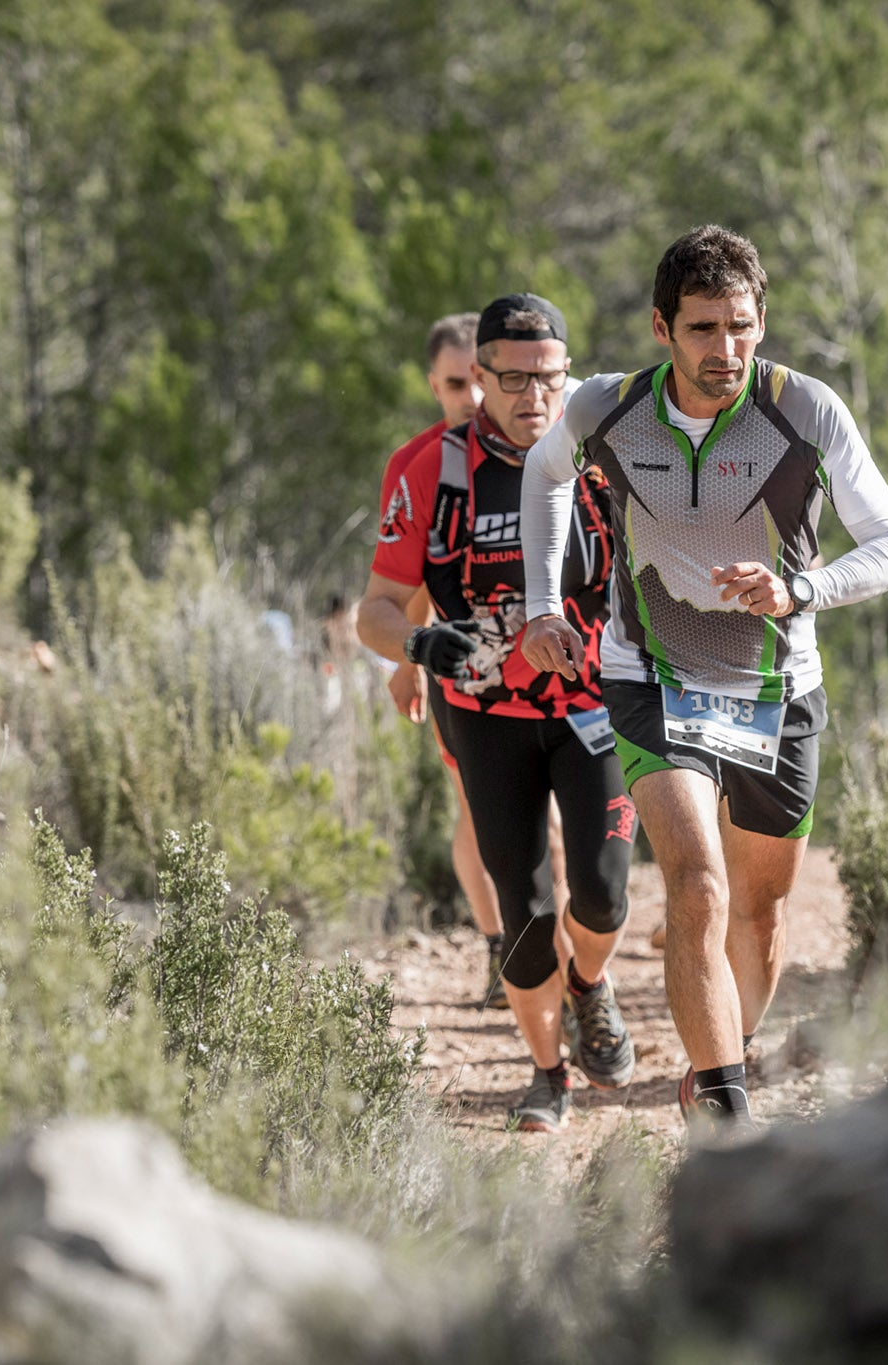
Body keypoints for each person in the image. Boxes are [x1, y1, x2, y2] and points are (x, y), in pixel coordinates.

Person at [520, 226, 888, 1133]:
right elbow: (545, 478)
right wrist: (545, 605)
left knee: (760, 913)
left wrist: (800, 589)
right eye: (702, 329)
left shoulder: (806, 411)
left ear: (762, 320)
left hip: (780, 688)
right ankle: (727, 1117)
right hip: (650, 676)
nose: (725, 350)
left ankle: (717, 1062)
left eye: (741, 326)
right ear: (663, 329)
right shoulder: (604, 410)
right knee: (696, 885)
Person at [360, 294, 637, 1133]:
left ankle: (590, 985)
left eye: (547, 378)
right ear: (476, 379)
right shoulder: (428, 468)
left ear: (568, 375)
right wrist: (419, 650)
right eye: (510, 379)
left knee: (603, 895)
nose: (532, 397)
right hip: (484, 713)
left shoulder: (603, 456)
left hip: (591, 699)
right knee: (523, 911)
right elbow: (374, 607)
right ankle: (547, 1073)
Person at [382, 313, 575, 1011]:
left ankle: (559, 954)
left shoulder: (545, 443)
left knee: (553, 822)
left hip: (551, 673)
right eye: (454, 384)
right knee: (477, 814)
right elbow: (406, 585)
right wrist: (408, 664)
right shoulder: (425, 460)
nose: (469, 398)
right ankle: (503, 943)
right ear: (435, 384)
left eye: (477, 382)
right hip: (465, 675)